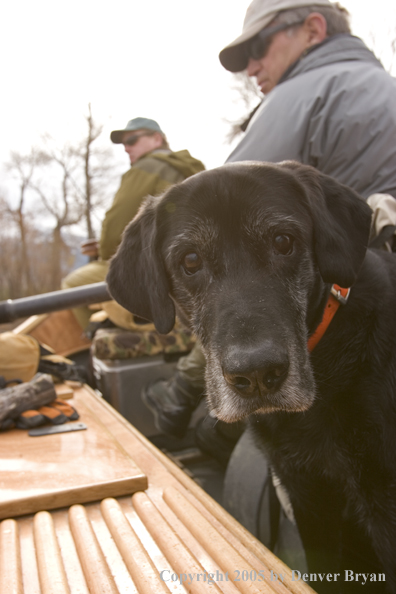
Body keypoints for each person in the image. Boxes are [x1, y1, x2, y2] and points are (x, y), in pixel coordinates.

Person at [143, 0, 396, 440]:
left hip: (352, 305)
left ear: (313, 29)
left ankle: (176, 404)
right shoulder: (385, 86)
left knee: (212, 429)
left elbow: (220, 204)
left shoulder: (300, 95)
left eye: (258, 46)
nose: (251, 67)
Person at [62, 117, 205, 330]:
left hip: (156, 268)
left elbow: (116, 224)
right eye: (124, 144)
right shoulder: (195, 169)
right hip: (195, 265)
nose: (127, 148)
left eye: (133, 140)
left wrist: (104, 249)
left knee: (72, 285)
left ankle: (96, 345)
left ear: (157, 139)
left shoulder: (147, 166)